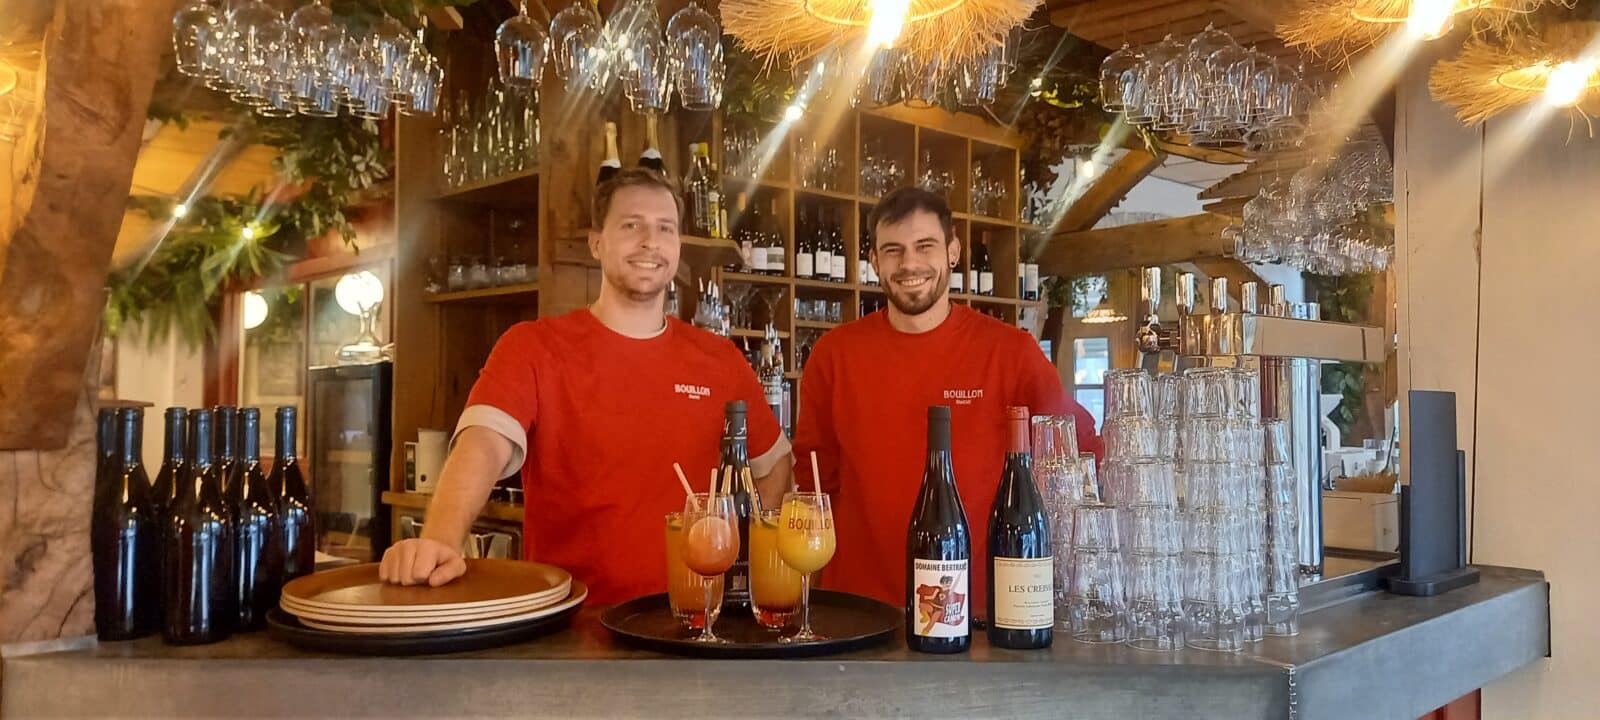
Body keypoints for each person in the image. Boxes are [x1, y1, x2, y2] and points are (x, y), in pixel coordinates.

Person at [380, 168, 793, 604]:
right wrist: (440, 541)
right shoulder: (534, 347)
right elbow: (482, 444)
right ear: (597, 243)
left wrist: (744, 559)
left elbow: (775, 464)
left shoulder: (719, 359)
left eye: (665, 228)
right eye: (631, 225)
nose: (650, 242)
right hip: (573, 623)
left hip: (693, 620)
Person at [792, 186, 1099, 614]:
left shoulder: (1010, 352)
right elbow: (814, 484)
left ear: (953, 251)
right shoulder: (834, 355)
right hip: (860, 613)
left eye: (925, 246)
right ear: (874, 261)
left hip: (979, 614)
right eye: (893, 250)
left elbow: (1080, 453)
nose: (909, 264)